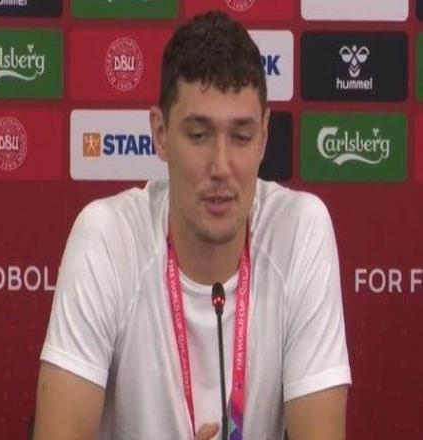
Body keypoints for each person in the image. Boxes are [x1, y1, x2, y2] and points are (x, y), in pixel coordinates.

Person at [33, 10, 351, 440]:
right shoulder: (107, 237)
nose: (220, 166)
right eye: (199, 135)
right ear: (160, 133)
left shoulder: (299, 231)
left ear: (264, 134)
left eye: (241, 136)